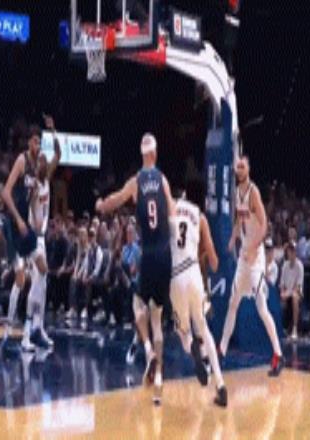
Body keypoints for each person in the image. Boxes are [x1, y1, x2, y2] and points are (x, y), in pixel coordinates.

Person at [96, 133, 174, 405]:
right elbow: (173, 214)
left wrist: (100, 204)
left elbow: (114, 201)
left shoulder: (135, 182)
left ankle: (148, 349)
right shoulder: (163, 180)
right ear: (156, 153)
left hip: (148, 255)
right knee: (158, 318)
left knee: (138, 305)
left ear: (142, 155)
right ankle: (159, 381)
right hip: (165, 255)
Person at [219, 156, 284, 376]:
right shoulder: (237, 192)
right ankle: (221, 350)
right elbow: (240, 220)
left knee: (261, 308)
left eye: (242, 166)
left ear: (248, 169)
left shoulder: (253, 192)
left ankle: (278, 354)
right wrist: (232, 238)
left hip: (255, 257)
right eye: (237, 166)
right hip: (243, 255)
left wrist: (255, 246)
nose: (239, 169)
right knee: (233, 302)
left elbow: (264, 224)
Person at [1, 115, 57, 351]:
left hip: (26, 227)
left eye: (39, 142)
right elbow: (5, 192)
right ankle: (8, 329)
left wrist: (35, 217)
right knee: (21, 278)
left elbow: (32, 198)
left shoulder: (36, 169)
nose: (37, 145)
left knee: (43, 269)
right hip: (12, 224)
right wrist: (18, 218)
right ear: (28, 143)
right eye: (34, 141)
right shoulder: (22, 161)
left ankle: (29, 330)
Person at [169, 180, 227, 407]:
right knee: (205, 329)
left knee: (182, 331)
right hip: (194, 273)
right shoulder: (200, 217)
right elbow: (214, 262)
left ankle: (192, 346)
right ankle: (220, 386)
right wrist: (203, 253)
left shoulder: (170, 210)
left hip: (176, 274)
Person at [26, 116, 61, 347]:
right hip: (32, 237)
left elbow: (58, 153)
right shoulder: (33, 184)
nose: (43, 162)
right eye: (40, 160)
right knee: (41, 276)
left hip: (42, 239)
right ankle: (30, 328)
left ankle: (37, 327)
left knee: (42, 282)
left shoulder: (47, 180)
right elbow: (27, 206)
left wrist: (53, 130)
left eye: (44, 160)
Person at [279, 241, 304, 340]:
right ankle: (281, 327)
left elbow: (298, 286)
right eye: (290, 251)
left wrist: (288, 293)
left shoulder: (300, 266)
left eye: (293, 251)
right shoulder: (284, 265)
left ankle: (295, 328)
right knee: (281, 298)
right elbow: (282, 284)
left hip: (297, 293)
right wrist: (282, 293)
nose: (291, 253)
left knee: (294, 297)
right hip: (286, 292)